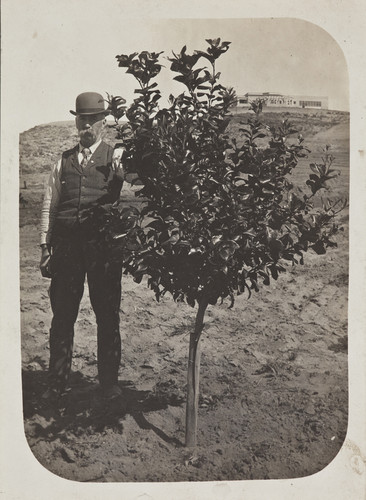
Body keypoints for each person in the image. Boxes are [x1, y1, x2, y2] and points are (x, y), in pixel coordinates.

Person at [39, 92, 125, 401]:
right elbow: (50, 205)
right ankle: (57, 381)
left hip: (102, 250)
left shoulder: (116, 156)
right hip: (65, 250)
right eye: (81, 120)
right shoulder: (62, 162)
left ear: (103, 123)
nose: (85, 126)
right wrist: (44, 246)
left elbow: (133, 192)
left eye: (91, 120)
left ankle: (109, 383)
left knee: (107, 314)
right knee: (62, 315)